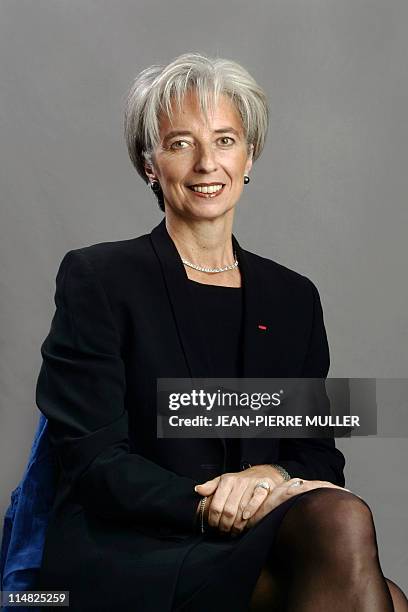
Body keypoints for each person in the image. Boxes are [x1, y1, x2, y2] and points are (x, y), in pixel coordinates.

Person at [35, 52, 408, 611]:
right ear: (149, 164)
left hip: (249, 542)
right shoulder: (100, 278)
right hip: (134, 550)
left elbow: (317, 456)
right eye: (181, 143)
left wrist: (266, 474)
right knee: (371, 579)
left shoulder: (294, 299)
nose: (208, 163)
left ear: (250, 154)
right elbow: (95, 462)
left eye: (226, 140)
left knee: (359, 557)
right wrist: (211, 503)